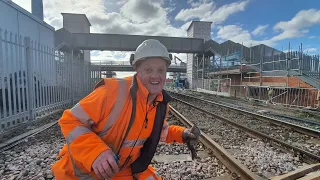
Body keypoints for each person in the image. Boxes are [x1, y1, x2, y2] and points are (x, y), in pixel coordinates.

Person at [51, 39, 198, 180]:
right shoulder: (111, 92)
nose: (155, 76)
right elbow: (70, 120)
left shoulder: (160, 104)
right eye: (148, 69)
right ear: (137, 70)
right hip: (83, 172)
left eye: (161, 70)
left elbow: (159, 131)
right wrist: (95, 152)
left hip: (122, 169)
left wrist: (182, 134)